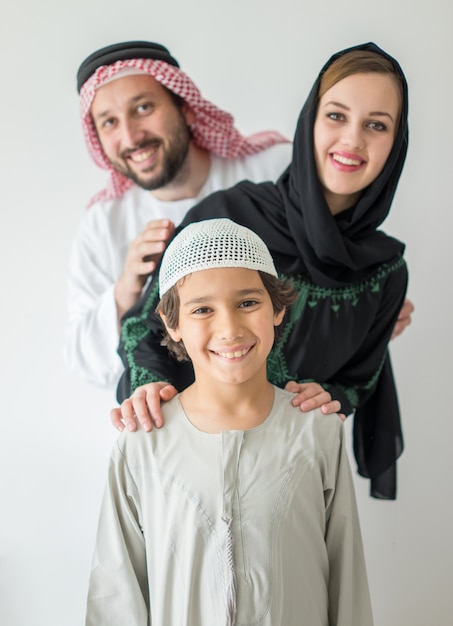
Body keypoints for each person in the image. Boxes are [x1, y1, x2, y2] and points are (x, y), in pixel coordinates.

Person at [115, 42, 410, 500]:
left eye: (376, 124)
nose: (353, 139)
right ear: (309, 120)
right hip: (188, 471)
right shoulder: (230, 218)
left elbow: (357, 379)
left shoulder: (385, 272)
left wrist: (328, 397)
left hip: (293, 483)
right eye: (336, 115)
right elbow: (147, 324)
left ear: (396, 143)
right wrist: (150, 386)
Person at [86, 218, 373, 626]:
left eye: (248, 303)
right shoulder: (143, 442)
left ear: (277, 308)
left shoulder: (317, 429)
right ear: (173, 324)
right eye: (202, 309)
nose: (230, 328)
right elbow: (115, 595)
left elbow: (348, 583)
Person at [64, 40, 293, 389]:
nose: (131, 136)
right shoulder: (103, 224)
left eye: (142, 108)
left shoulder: (272, 169)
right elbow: (86, 363)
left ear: (186, 108)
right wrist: (127, 291)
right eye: (109, 122)